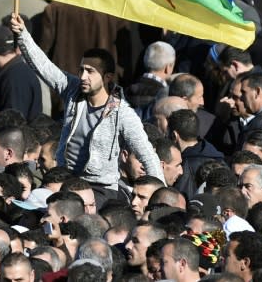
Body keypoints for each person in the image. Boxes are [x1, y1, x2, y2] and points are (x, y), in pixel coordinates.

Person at [10, 13, 164, 206]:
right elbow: (44, 67)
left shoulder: (122, 114)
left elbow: (147, 154)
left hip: (101, 189)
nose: (83, 76)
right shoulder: (72, 91)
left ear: (107, 77)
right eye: (81, 70)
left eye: (90, 71)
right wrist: (23, 34)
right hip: (68, 180)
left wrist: (163, 201)